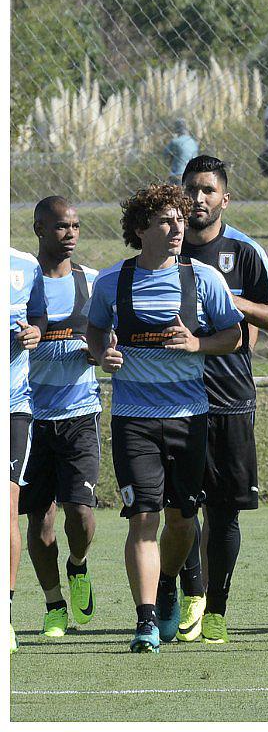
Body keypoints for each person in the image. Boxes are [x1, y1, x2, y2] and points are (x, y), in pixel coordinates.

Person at [85, 183, 243, 653]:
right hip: (133, 418)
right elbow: (95, 329)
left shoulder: (205, 279)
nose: (178, 227)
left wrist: (197, 344)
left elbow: (234, 334)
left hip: (189, 417)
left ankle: (169, 581)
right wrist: (101, 354)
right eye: (165, 221)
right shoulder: (113, 282)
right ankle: (146, 620)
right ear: (140, 229)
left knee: (182, 520)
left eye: (180, 218)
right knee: (143, 519)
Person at [171, 154, 268, 644]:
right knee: (180, 508)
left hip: (230, 397)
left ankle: (217, 604)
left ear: (224, 198)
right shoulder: (164, 250)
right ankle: (190, 593)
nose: (199, 199)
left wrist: (229, 299)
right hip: (172, 397)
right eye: (191, 190)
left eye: (208, 191)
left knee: (224, 510)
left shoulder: (244, 252)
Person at [22, 197, 101, 640]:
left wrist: (102, 350)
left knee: (81, 512)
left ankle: (78, 566)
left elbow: (111, 337)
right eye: (59, 227)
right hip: (30, 417)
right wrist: (24, 337)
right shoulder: (19, 284)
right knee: (39, 520)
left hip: (79, 413)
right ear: (38, 229)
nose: (69, 233)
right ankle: (53, 603)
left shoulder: (91, 281)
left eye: (75, 225)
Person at [9, 246, 46, 654]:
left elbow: (38, 317)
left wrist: (35, 330)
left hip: (13, 405)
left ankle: (6, 614)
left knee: (8, 508)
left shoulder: (24, 265)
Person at [164, 119, 198, 184]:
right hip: (191, 175)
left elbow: (165, 154)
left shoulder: (175, 141)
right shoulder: (193, 143)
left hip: (176, 174)